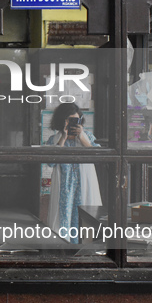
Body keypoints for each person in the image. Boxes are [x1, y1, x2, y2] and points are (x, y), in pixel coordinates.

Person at [45, 103, 102, 244]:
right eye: (69, 120)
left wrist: (82, 137)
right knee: (63, 218)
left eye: (76, 120)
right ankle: (63, 250)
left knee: (84, 218)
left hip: (84, 185)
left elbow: (98, 157)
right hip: (64, 187)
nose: (73, 124)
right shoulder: (55, 139)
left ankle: (83, 250)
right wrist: (63, 138)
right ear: (62, 120)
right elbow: (50, 162)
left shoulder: (87, 136)